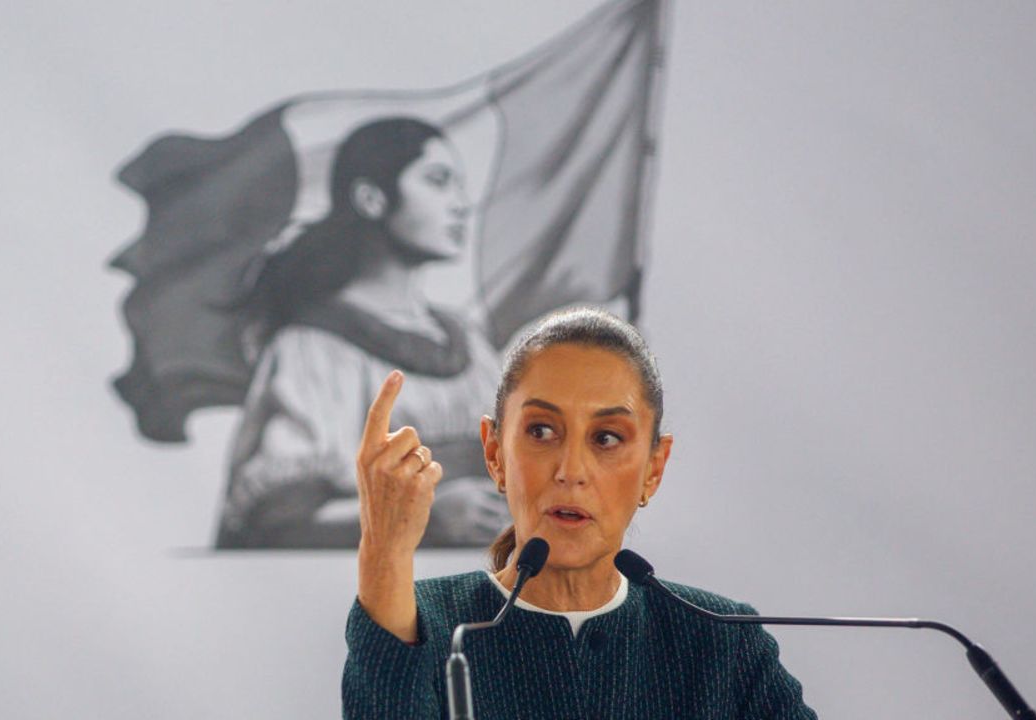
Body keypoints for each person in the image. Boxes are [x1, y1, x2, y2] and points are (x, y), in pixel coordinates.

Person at [342, 308, 817, 718]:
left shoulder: (721, 641)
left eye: (606, 438)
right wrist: (384, 547)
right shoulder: (429, 626)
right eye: (542, 431)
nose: (571, 471)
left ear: (654, 468)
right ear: (494, 453)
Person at [215, 117, 511, 548]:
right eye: (438, 181)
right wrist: (424, 517)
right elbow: (278, 519)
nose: (461, 204)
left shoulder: (470, 343)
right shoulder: (313, 350)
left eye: (459, 186)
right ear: (371, 199)